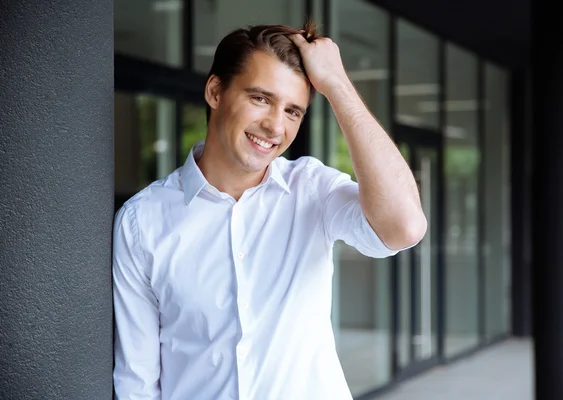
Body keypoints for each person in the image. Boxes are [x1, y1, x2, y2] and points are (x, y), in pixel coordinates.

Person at [112, 20, 427, 400]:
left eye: (293, 111)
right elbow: (138, 381)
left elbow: (405, 227)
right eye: (260, 98)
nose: (275, 126)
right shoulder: (141, 221)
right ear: (215, 91)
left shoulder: (312, 189)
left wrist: (338, 85)